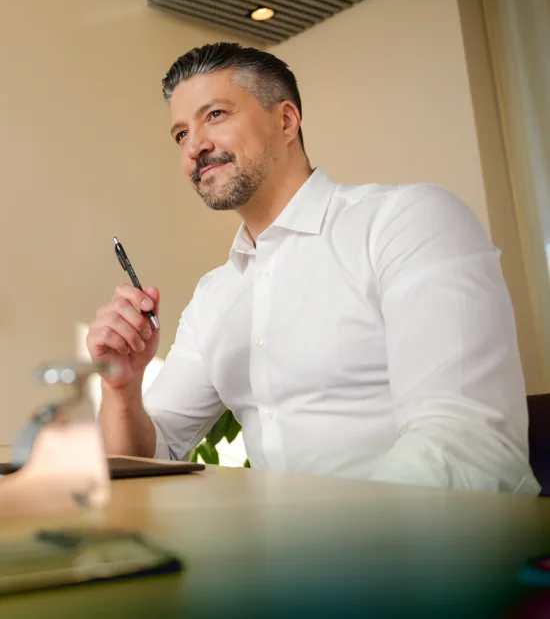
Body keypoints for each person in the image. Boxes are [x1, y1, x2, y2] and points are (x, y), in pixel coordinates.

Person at [87, 42, 539, 494]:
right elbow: (147, 459)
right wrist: (122, 391)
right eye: (181, 134)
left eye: (216, 115)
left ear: (286, 120)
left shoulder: (407, 222)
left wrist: (323, 551)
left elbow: (466, 443)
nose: (195, 146)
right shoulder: (214, 296)